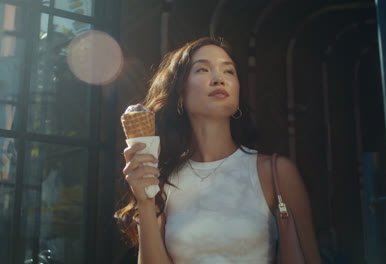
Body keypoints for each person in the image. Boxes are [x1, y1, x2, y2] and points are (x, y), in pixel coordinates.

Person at [115, 37, 321, 264]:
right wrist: (145, 203)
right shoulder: (162, 178)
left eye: (229, 71)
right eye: (203, 69)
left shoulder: (276, 173)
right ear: (180, 92)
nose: (218, 79)